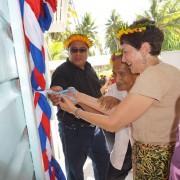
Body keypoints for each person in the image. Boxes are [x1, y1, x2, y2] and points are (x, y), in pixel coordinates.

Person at [58, 18, 180, 180]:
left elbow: (114, 122)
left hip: (154, 159)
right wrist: (79, 96)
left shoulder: (151, 76)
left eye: (125, 51)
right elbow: (120, 111)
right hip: (161, 155)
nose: (123, 59)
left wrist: (75, 111)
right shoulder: (167, 70)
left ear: (144, 49)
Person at [49, 33, 110, 180]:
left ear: (87, 52)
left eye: (82, 50)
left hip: (95, 128)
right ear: (68, 52)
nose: (78, 53)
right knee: (75, 173)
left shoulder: (90, 69)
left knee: (105, 165)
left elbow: (97, 94)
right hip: (73, 131)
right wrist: (55, 93)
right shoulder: (62, 71)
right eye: (74, 50)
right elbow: (56, 88)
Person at [99, 52, 137, 179]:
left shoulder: (144, 88)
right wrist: (76, 102)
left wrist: (119, 105)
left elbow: (142, 116)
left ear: (134, 71)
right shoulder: (114, 88)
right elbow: (100, 110)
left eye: (122, 73)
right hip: (122, 145)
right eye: (115, 74)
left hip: (143, 147)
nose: (117, 79)